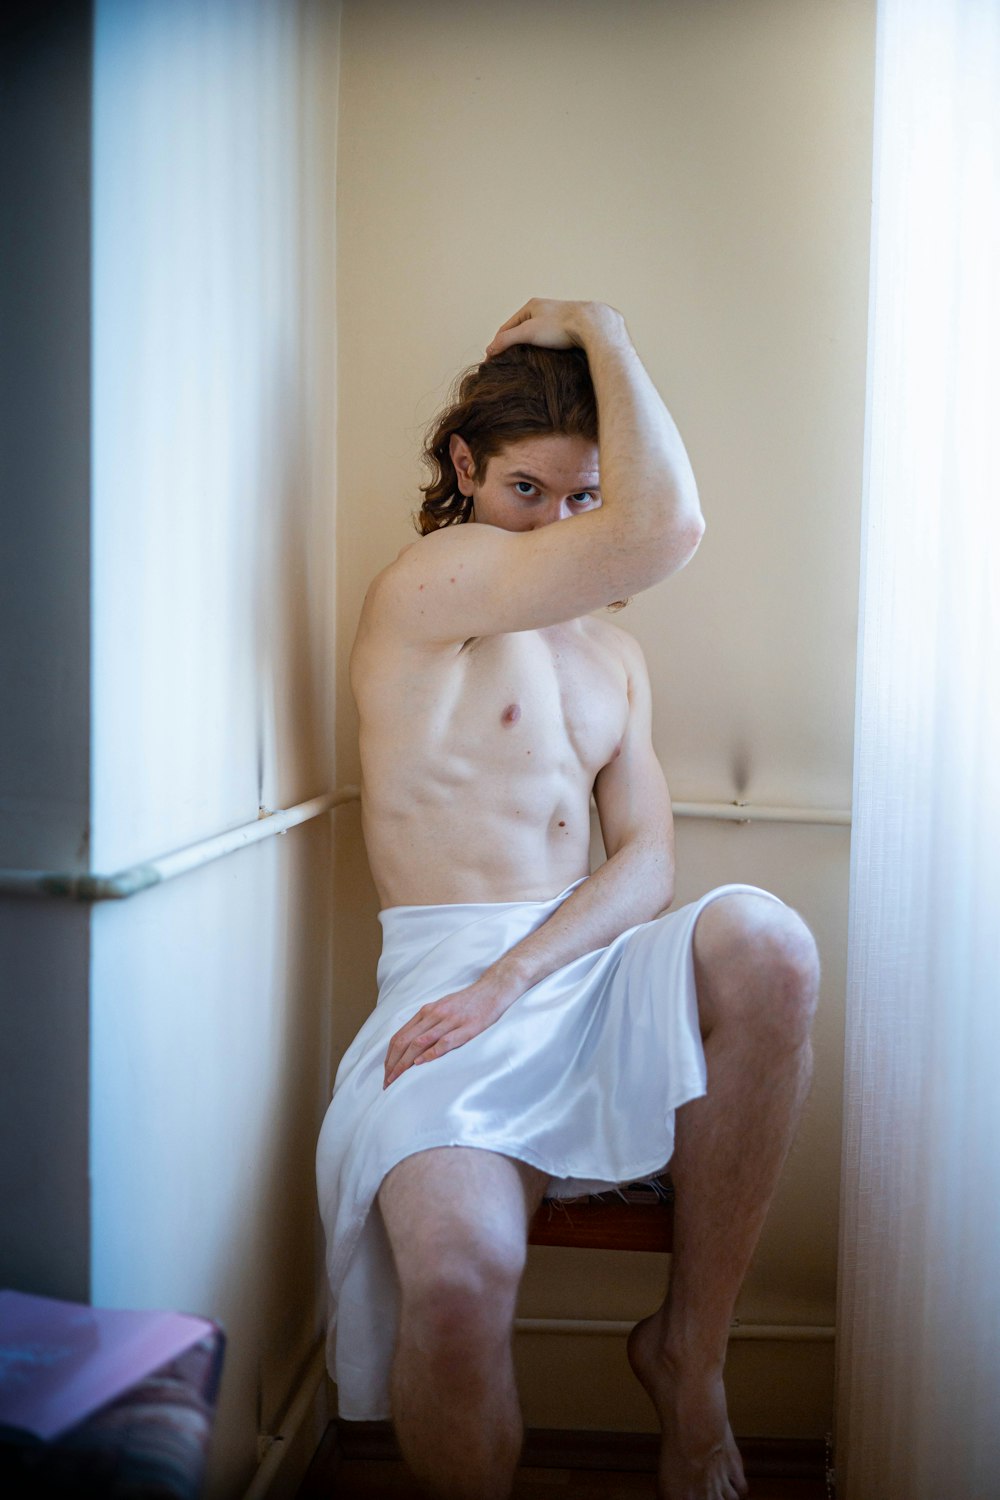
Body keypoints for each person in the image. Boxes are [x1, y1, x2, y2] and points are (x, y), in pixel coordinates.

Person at [316, 298, 820, 1500]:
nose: (557, 524)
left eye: (583, 500)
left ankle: (686, 1357)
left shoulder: (615, 659)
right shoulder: (431, 586)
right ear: (462, 469)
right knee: (454, 1281)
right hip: (447, 983)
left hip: (572, 965)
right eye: (529, 490)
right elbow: (672, 524)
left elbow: (645, 860)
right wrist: (604, 330)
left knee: (770, 942)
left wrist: (522, 976)